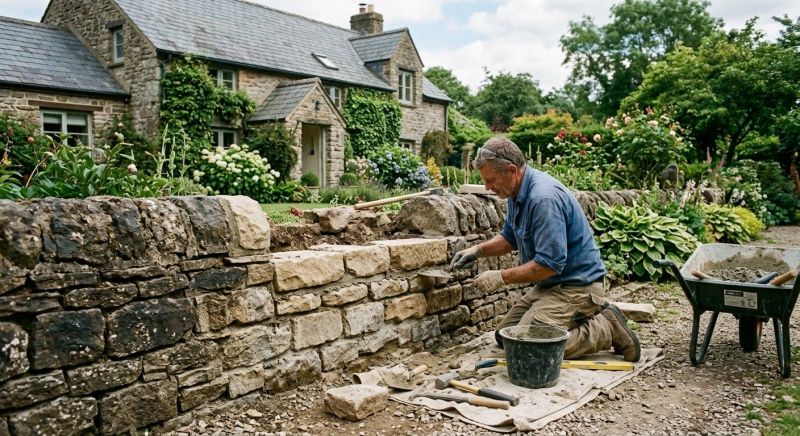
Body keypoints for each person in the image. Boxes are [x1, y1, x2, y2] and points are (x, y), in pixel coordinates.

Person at [450, 137, 640, 362]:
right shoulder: (516, 192)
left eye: (490, 180)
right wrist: (477, 250)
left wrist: (500, 277)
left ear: (512, 170)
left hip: (577, 286)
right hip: (551, 286)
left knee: (527, 346)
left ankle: (605, 327)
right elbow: (510, 237)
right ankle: (575, 321)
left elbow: (549, 264)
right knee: (505, 337)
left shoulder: (543, 199)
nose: (488, 187)